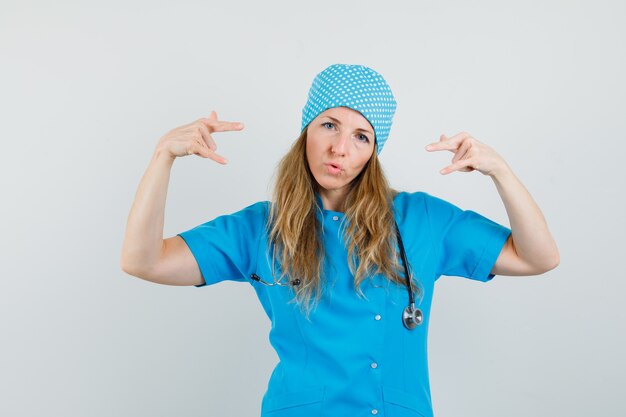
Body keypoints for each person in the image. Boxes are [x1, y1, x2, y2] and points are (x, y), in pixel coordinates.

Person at [120, 64, 559, 417]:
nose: (340, 148)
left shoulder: (422, 220)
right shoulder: (259, 229)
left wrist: (499, 170)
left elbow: (539, 257)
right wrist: (163, 158)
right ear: (306, 131)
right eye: (329, 125)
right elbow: (144, 261)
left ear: (373, 152)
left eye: (360, 136)